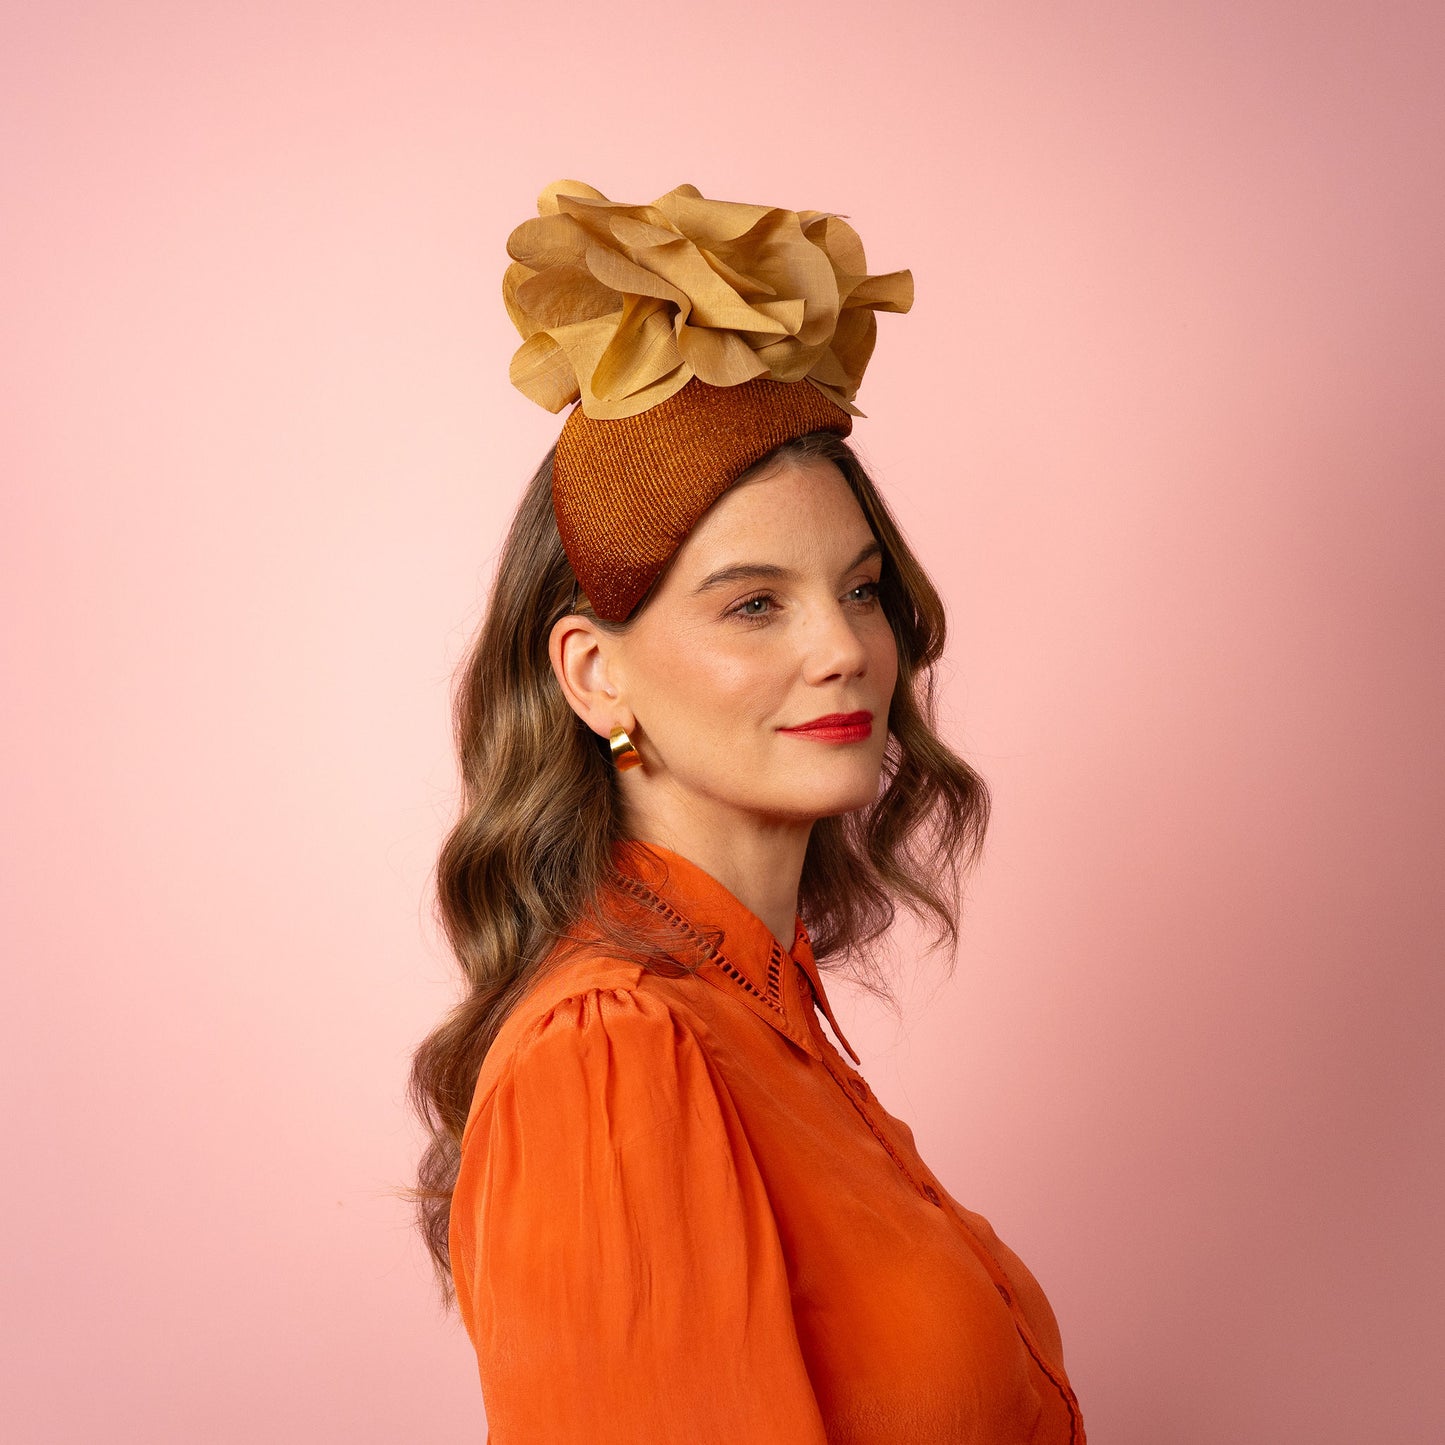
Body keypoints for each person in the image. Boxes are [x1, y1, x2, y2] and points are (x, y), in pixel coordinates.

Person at [408, 180, 1086, 1443]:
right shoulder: (608, 1056)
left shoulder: (760, 1015)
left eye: (861, 589)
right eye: (754, 604)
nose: (844, 648)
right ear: (593, 674)